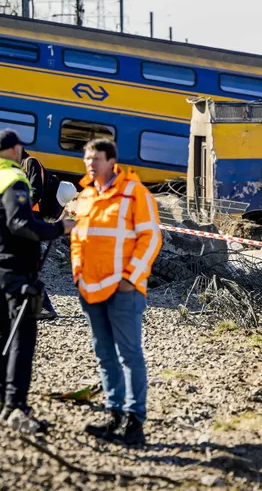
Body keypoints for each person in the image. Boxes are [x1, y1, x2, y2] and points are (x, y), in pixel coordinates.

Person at [0, 128, 74, 430]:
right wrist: (60, 229)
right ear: (14, 151)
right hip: (17, 272)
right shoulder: (15, 180)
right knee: (22, 339)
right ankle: (15, 405)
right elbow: (21, 223)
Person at [71, 138, 161, 446]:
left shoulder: (136, 194)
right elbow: (78, 239)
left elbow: (150, 239)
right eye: (86, 158)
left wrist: (129, 278)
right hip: (91, 289)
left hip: (123, 290)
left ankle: (135, 422)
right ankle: (114, 414)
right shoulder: (85, 196)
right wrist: (77, 275)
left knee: (129, 354)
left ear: (112, 161)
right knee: (105, 354)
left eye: (96, 158)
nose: (90, 164)